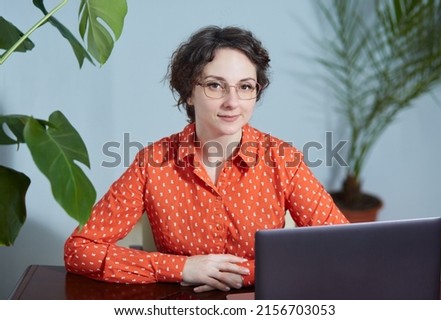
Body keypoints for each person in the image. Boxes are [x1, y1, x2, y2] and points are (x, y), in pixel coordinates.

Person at [64, 25, 348, 293]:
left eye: (246, 87)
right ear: (189, 92)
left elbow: (342, 248)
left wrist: (245, 273)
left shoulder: (284, 160)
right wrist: (182, 268)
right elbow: (79, 250)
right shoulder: (152, 163)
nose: (232, 102)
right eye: (215, 85)